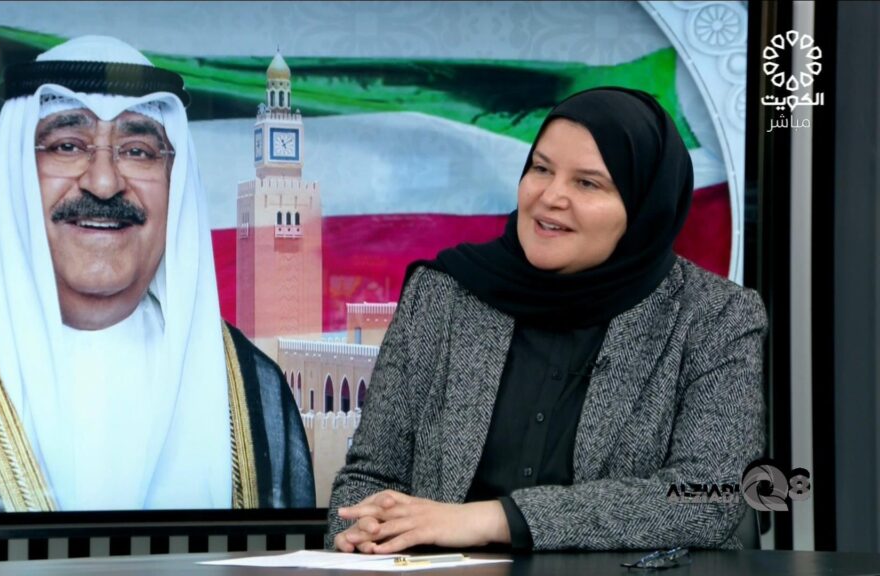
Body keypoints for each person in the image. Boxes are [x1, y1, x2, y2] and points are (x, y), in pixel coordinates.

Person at [0, 36, 313, 514]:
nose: (104, 182)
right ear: (15, 172)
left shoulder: (254, 391)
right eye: (67, 146)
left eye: (138, 151)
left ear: (175, 183)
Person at [327, 87, 767, 552]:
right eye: (541, 169)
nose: (551, 196)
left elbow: (708, 497)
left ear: (644, 207)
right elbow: (369, 479)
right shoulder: (444, 293)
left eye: (588, 183)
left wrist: (496, 519)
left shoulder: (713, 317)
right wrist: (363, 532)